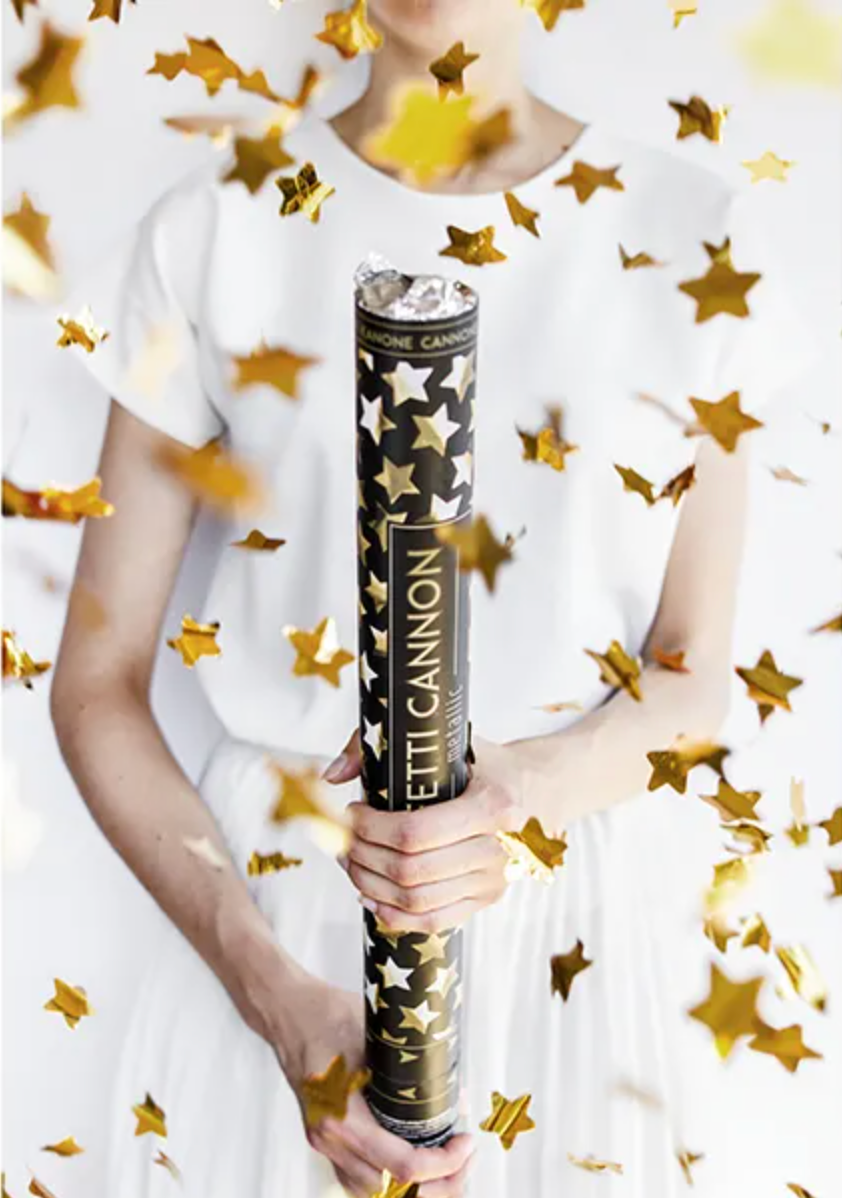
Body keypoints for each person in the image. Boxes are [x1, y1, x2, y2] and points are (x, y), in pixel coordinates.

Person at [50, 1, 811, 1195]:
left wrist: (521, 794)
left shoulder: (691, 236)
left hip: (574, 948)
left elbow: (690, 672)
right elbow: (96, 683)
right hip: (289, 937)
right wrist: (275, 997)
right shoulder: (218, 226)